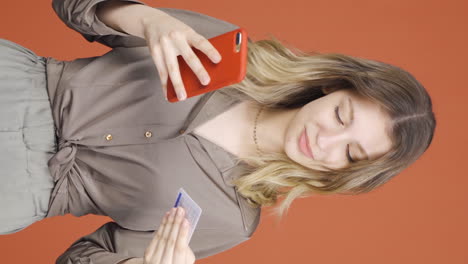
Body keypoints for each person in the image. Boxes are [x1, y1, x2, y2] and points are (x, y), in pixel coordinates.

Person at [0, 0, 436, 263]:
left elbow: (77, 259)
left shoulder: (228, 222)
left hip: (15, 192)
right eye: (342, 116)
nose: (326, 142)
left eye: (351, 153)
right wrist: (145, 18)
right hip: (15, 82)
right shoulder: (224, 53)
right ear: (332, 86)